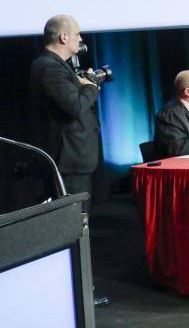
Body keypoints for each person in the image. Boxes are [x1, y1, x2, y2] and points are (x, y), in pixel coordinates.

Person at [29, 15, 111, 307]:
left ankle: (79, 289)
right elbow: (75, 106)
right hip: (68, 161)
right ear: (63, 37)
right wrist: (91, 85)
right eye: (77, 34)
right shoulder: (48, 68)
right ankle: (75, 294)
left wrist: (83, 82)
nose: (80, 40)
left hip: (76, 159)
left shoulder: (59, 67)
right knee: (72, 227)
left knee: (79, 225)